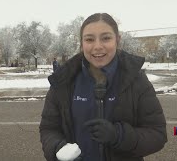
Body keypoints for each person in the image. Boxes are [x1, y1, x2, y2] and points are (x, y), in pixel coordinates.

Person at [39, 13, 167, 161]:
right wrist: (58, 149)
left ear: (117, 40)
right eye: (89, 39)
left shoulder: (136, 81)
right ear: (82, 43)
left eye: (106, 38)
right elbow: (49, 129)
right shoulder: (63, 81)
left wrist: (119, 136)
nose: (97, 46)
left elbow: (157, 134)